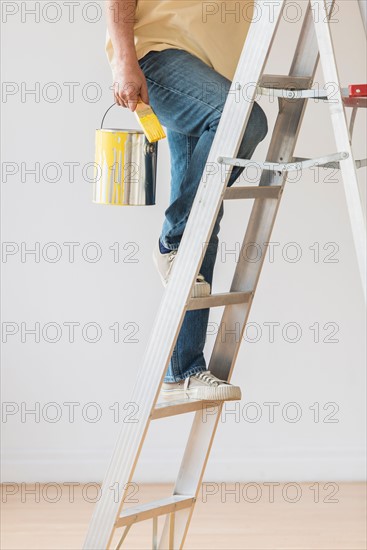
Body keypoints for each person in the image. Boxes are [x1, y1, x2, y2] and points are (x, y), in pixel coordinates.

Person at [105, 0, 268, 401]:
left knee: (205, 217)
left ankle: (185, 369)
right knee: (246, 120)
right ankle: (174, 240)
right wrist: (124, 61)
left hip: (210, 71)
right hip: (158, 57)